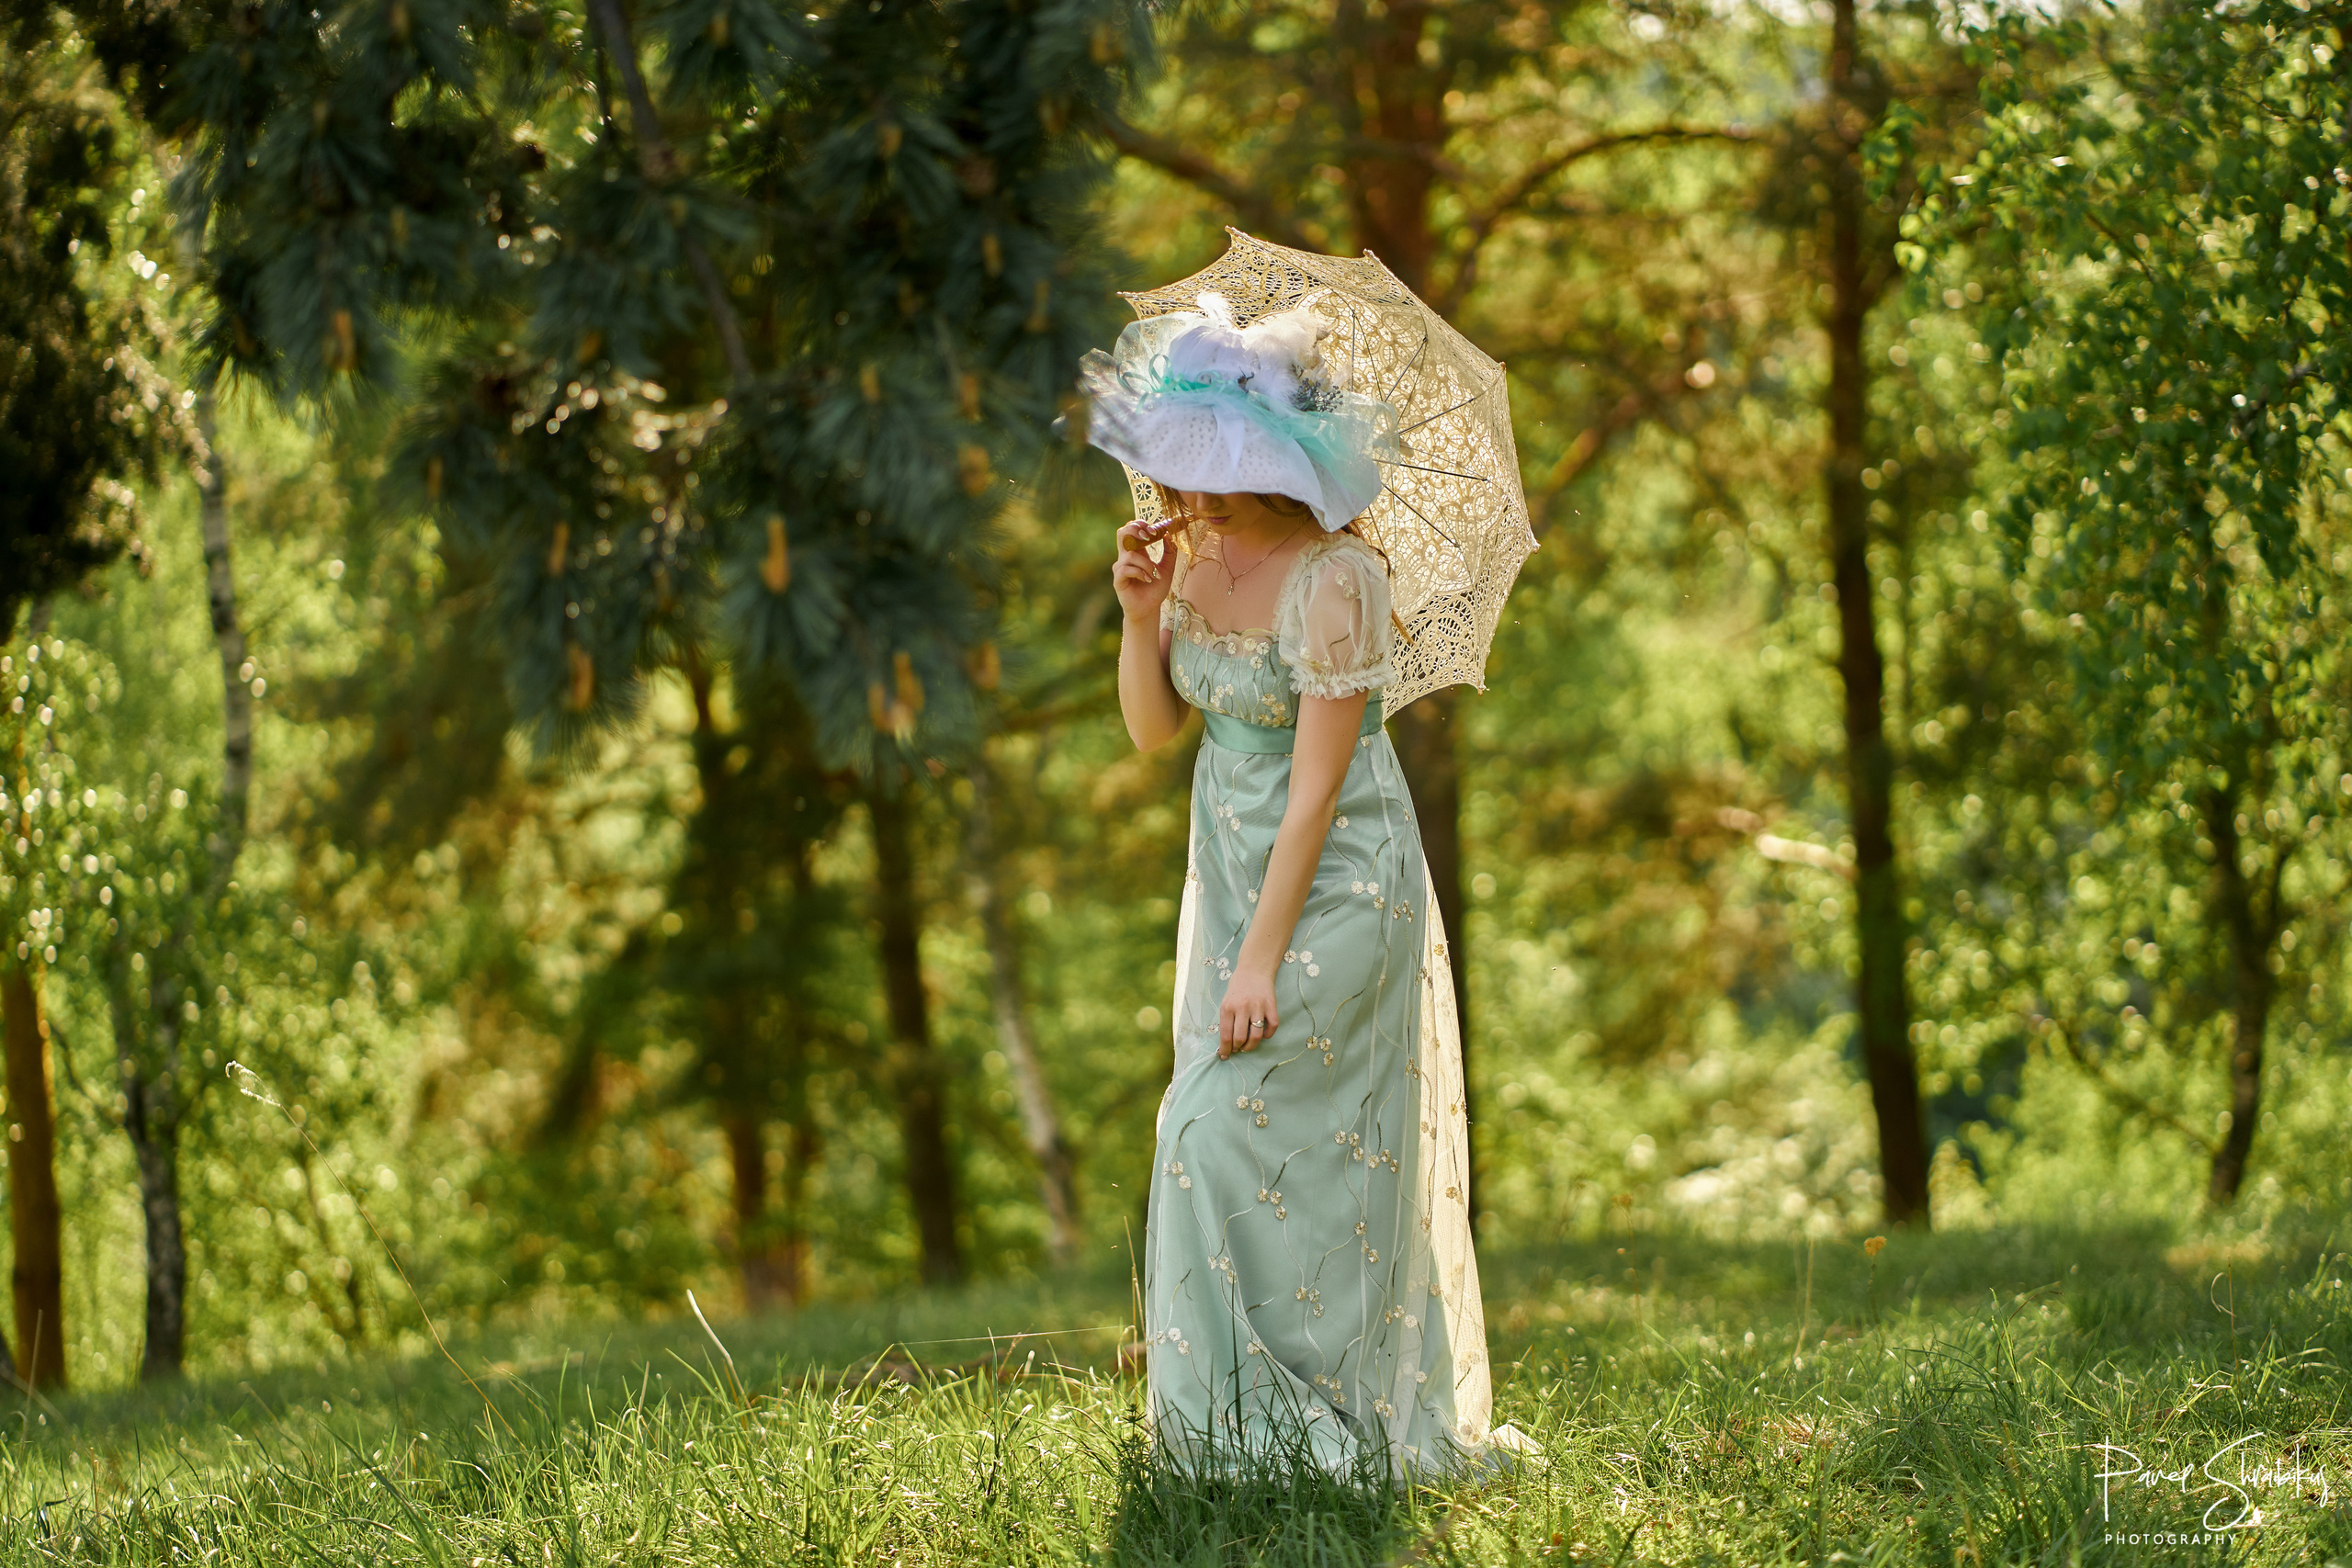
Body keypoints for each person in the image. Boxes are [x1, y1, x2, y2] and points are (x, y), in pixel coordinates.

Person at [1079, 291, 1524, 1478]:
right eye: (1188, 467)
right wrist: (1137, 620)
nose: (1194, 493)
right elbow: (1153, 733)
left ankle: (1335, 1404)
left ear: (1280, 464)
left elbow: (1320, 790)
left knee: (1228, 1129)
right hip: (1226, 862)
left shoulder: (1338, 578)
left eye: (1221, 470)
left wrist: (1261, 960)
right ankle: (1231, 1422)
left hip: (1332, 878)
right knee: (1243, 1132)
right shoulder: (1190, 558)